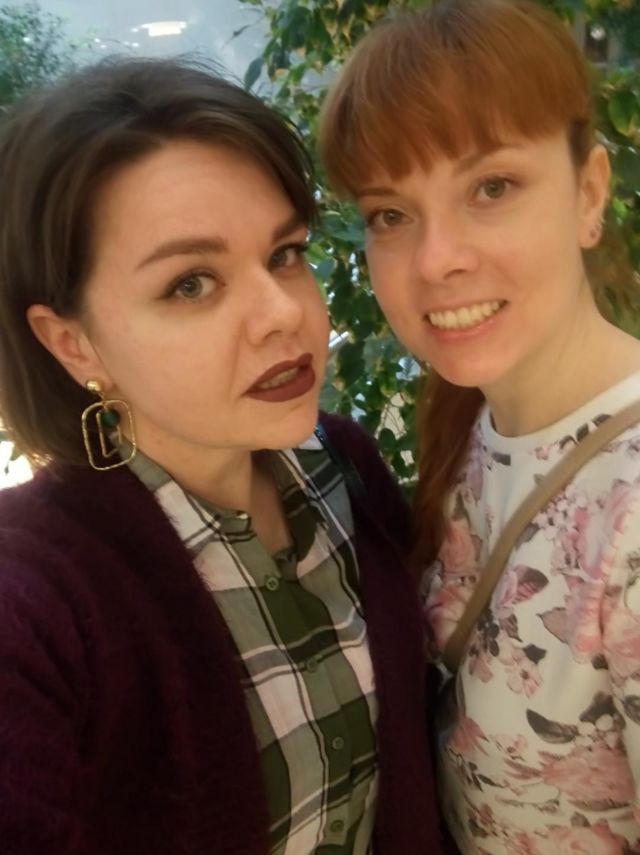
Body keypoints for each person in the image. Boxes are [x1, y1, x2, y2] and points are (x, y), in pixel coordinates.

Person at [0, 58, 443, 855]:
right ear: (72, 343)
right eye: (191, 284)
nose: (283, 313)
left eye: (284, 254)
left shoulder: (342, 465)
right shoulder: (38, 594)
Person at [318, 0, 640, 852]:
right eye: (391, 213)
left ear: (589, 194)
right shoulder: (472, 420)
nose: (436, 260)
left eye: (491, 188)